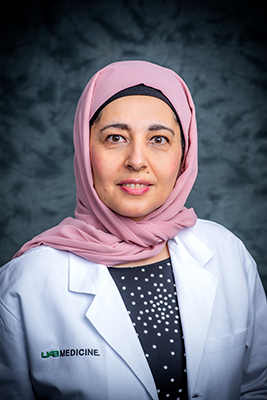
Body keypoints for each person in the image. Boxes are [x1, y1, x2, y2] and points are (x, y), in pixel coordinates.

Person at [0, 60, 266, 400]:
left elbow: (257, 385)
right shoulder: (22, 285)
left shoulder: (228, 253)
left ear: (184, 155)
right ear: (84, 150)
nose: (137, 160)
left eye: (158, 138)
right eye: (115, 137)